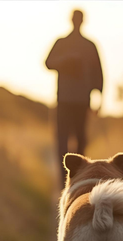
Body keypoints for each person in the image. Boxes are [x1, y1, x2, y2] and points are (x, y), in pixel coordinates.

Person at [45, 9, 104, 182]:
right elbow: (48, 63)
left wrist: (98, 98)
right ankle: (64, 180)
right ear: (72, 20)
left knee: (81, 141)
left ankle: (77, 178)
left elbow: (98, 74)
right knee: (62, 141)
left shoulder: (90, 46)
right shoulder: (62, 43)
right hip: (64, 100)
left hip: (81, 101)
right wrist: (65, 60)